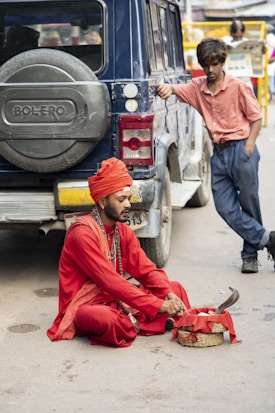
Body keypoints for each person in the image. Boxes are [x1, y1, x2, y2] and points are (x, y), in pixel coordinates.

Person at [157, 38, 275, 274]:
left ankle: (250, 255)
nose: (210, 70)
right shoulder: (197, 88)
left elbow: (256, 117)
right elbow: (174, 90)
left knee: (249, 204)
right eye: (206, 65)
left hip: (241, 149)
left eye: (214, 64)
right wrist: (165, 88)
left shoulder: (238, 86)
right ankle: (269, 240)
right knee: (224, 207)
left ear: (222, 62)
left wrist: (249, 147)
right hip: (218, 155)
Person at [47, 157, 190, 347]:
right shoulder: (81, 234)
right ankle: (146, 322)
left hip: (117, 300)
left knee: (175, 288)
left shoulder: (122, 231)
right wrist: (158, 305)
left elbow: (146, 271)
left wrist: (168, 294)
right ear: (103, 202)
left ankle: (139, 321)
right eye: (121, 199)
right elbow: (110, 281)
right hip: (87, 305)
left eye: (128, 199)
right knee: (105, 319)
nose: (128, 205)